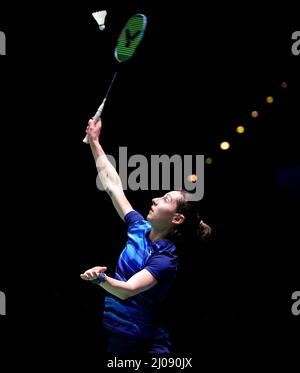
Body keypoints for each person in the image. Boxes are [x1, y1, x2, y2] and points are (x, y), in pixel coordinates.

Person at [80, 118, 212, 353]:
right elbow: (112, 186)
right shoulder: (138, 228)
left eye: (166, 200)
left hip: (144, 346)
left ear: (177, 219)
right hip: (117, 339)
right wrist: (95, 141)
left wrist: (100, 278)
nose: (155, 199)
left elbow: (128, 289)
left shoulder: (165, 258)